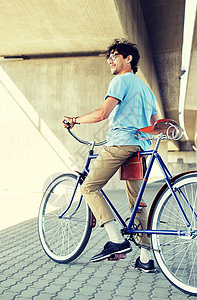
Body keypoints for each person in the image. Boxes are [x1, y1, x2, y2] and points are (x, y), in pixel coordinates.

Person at [63, 39, 159, 273]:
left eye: (115, 55)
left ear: (129, 59)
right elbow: (154, 124)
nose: (110, 60)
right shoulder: (146, 90)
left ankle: (116, 239)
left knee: (89, 187)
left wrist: (75, 120)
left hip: (119, 145)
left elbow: (102, 114)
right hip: (139, 149)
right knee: (137, 204)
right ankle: (146, 259)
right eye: (109, 57)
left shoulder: (120, 81)